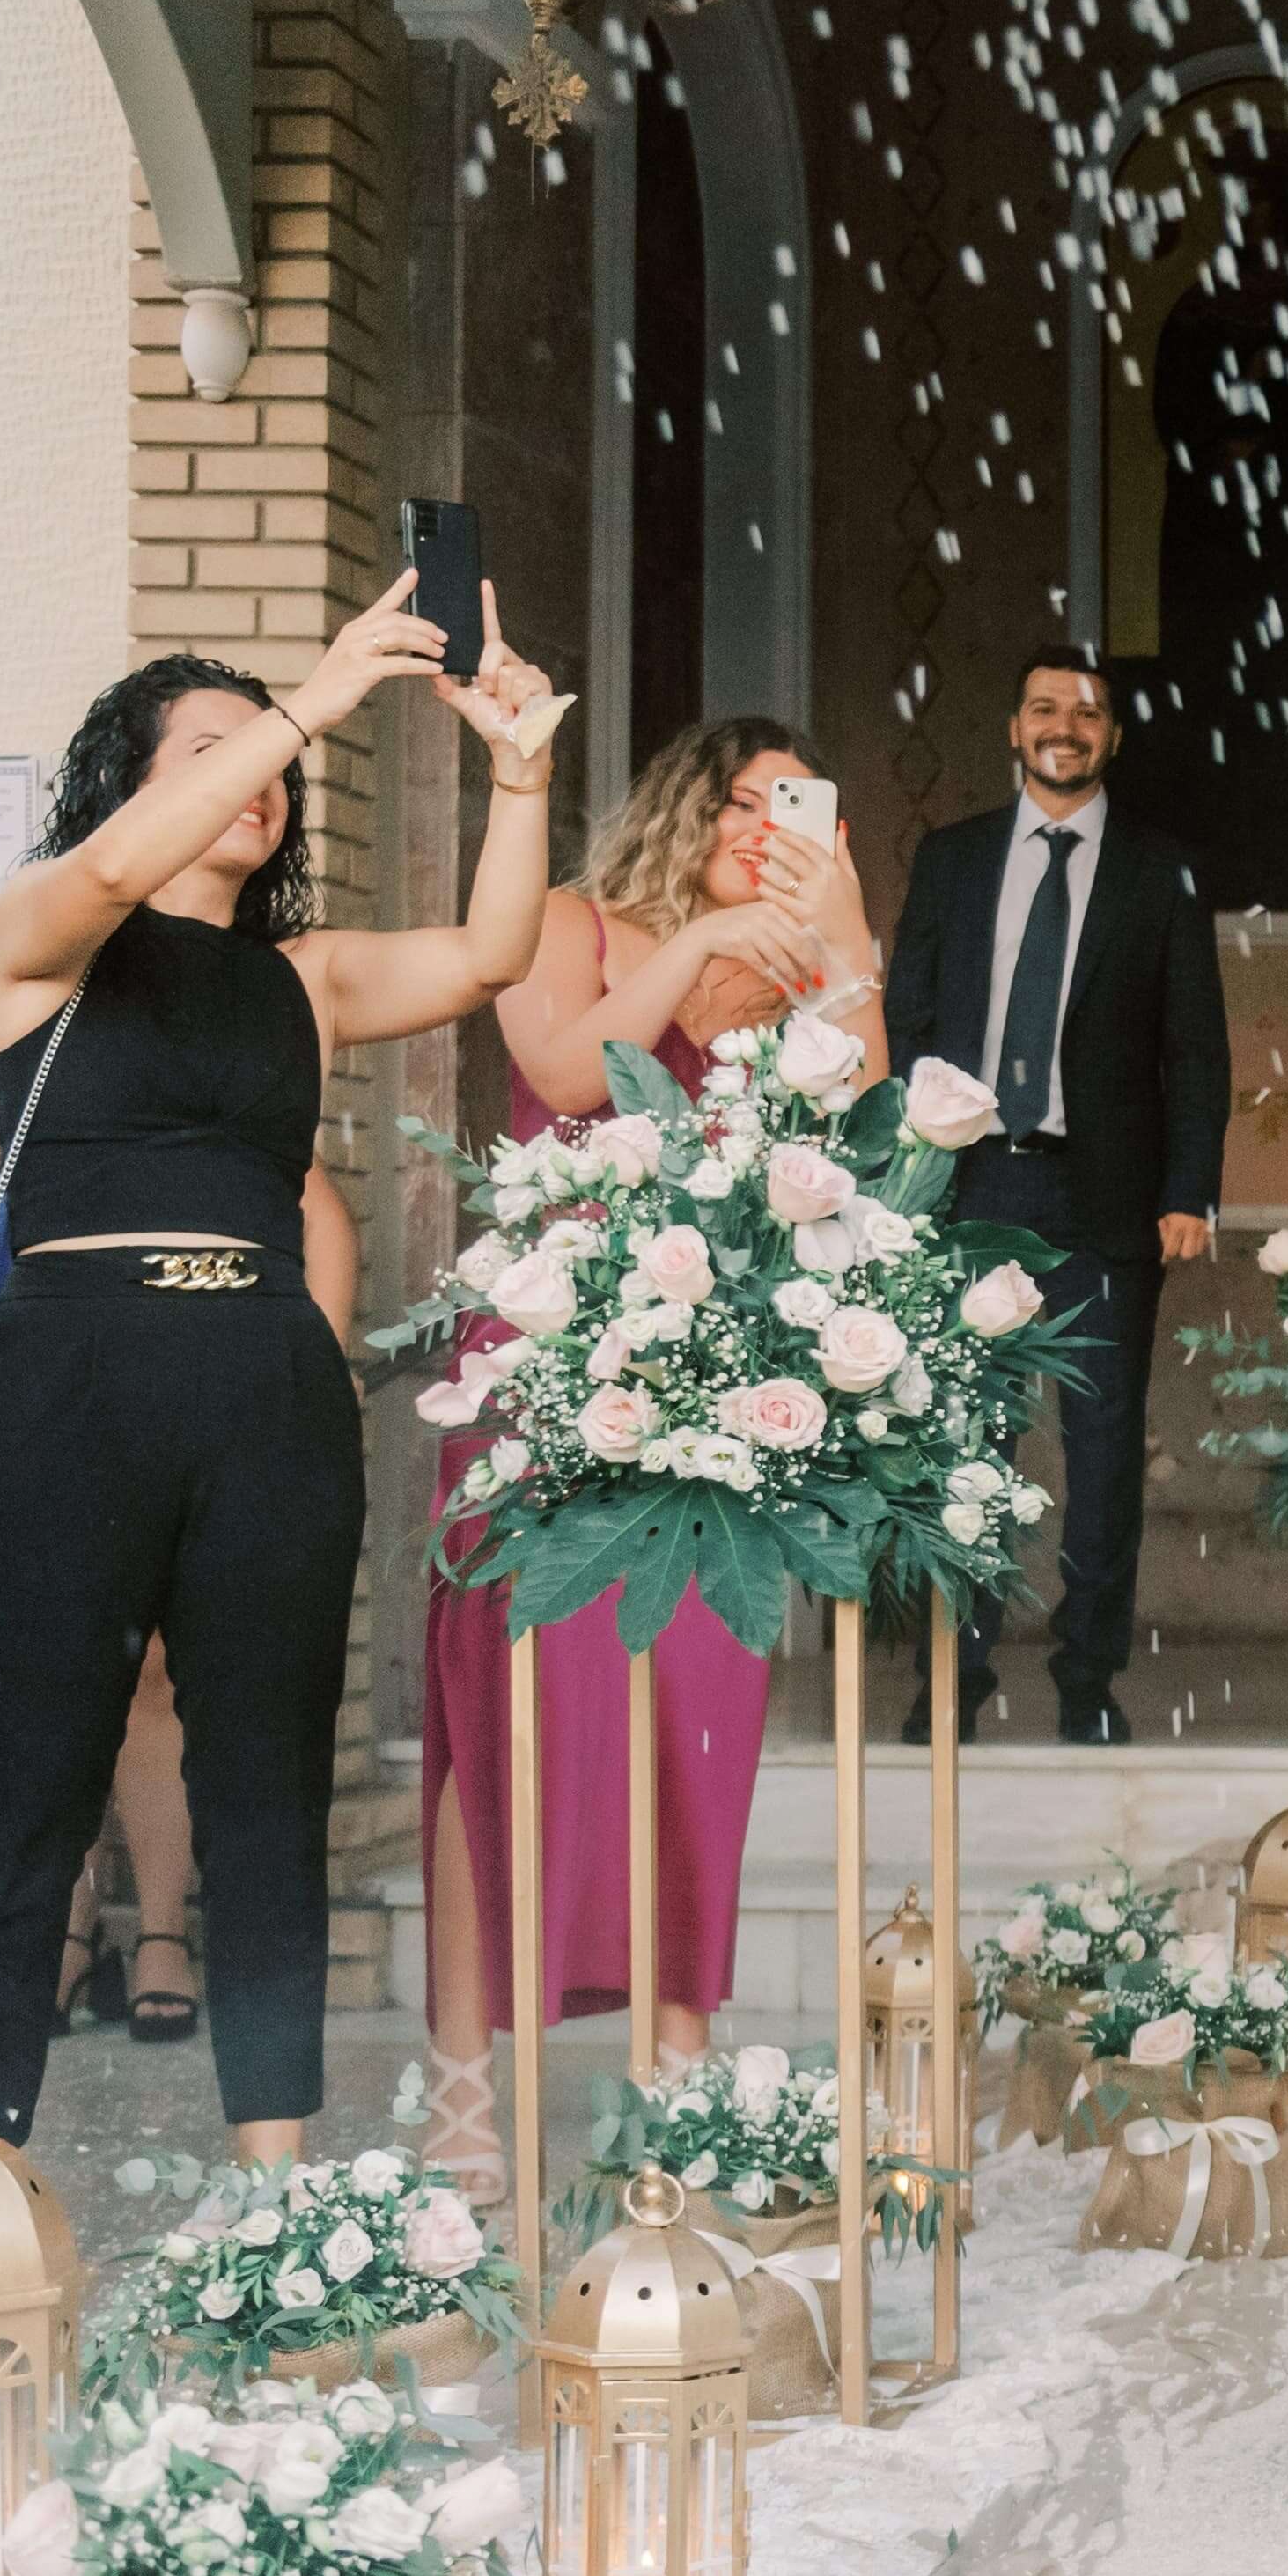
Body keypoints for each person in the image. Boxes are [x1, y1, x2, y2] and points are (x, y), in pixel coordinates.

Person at [0, 578, 559, 2161]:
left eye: (275, 762)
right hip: (70, 1375)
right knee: (30, 1781)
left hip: (263, 1380)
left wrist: (518, 772)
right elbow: (116, 869)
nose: (266, 776)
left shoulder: (303, 974)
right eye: (215, 751)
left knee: (267, 1789)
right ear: (136, 783)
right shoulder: (41, 932)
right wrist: (308, 699)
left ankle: (279, 2192)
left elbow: (492, 954)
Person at [412, 718, 878, 2197]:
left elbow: (863, 1118)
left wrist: (843, 929)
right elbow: (567, 1063)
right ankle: (464, 2084)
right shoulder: (572, 922)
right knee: (504, 1716)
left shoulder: (798, 968)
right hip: (547, 1363)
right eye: (742, 803)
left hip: (717, 1380)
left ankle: (674, 2069)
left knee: (694, 1726)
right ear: (687, 807)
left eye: (794, 810)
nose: (762, 833)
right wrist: (701, 943)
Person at [885, 645, 1230, 1744]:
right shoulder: (952, 859)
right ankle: (954, 1675)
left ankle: (1089, 1678)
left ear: (1112, 737)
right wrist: (907, 1169)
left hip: (1107, 1198)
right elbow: (908, 1016)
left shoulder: (1161, 870)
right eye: (1043, 707)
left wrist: (1189, 1187)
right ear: (1013, 727)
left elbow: (1195, 1047)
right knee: (963, 1438)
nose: (1064, 728)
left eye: (1086, 713)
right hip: (973, 1185)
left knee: (1103, 1451)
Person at [58, 1169, 360, 2043]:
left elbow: (316, 1207)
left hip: (142, 1364)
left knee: (147, 1659)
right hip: (30, 1331)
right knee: (40, 1668)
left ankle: (159, 1931)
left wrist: (307, 1378)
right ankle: (63, 1928)